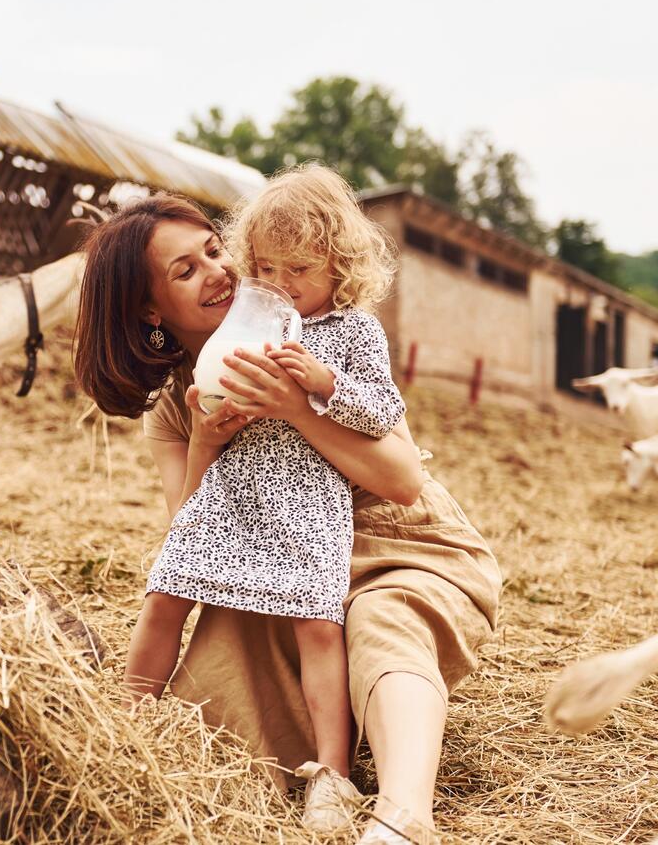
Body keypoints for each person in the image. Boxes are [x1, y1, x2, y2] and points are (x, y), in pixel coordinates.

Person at [73, 175, 501, 845]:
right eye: (186, 270)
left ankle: (402, 815)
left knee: (380, 623)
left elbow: (402, 481)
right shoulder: (172, 409)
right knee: (219, 686)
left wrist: (298, 409)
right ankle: (122, 745)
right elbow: (192, 533)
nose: (220, 271)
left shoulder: (317, 335)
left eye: (215, 251)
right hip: (278, 552)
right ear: (150, 310)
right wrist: (207, 441)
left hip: (399, 541)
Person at [122, 165, 408, 834]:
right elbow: (219, 376)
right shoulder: (255, 309)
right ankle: (124, 720)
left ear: (340, 266)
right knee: (166, 591)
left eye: (298, 271)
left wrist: (322, 382)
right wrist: (208, 421)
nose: (278, 284)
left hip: (307, 497)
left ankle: (331, 775)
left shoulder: (354, 333)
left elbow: (382, 410)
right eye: (267, 268)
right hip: (229, 489)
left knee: (318, 624)